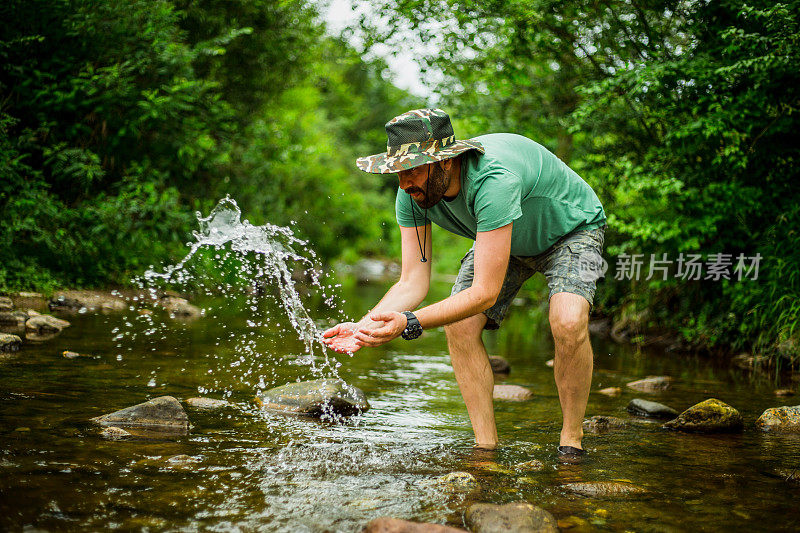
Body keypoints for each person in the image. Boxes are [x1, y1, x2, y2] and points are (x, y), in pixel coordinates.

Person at [322, 108, 606, 461]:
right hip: (504, 236)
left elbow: (484, 293)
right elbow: (412, 281)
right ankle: (485, 448)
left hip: (573, 230)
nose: (404, 183)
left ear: (444, 162)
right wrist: (367, 326)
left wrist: (410, 322)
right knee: (459, 326)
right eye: (397, 173)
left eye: (411, 169)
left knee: (567, 320)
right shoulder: (412, 195)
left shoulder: (493, 180)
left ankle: (571, 441)